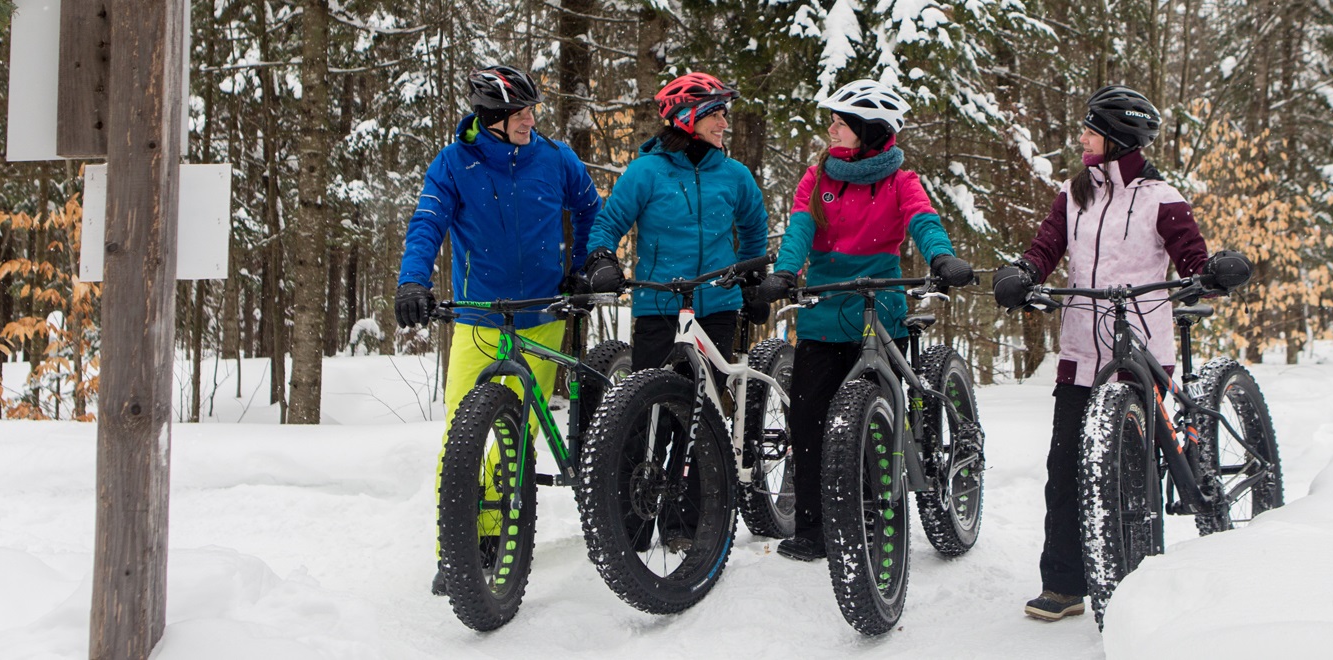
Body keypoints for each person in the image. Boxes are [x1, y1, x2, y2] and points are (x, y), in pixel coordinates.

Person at [988, 85, 1252, 620]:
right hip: (1081, 348)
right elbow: (1046, 247)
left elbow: (1190, 256)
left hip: (1142, 345)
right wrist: (1024, 273)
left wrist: (1209, 273)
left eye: (1090, 130)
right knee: (1064, 468)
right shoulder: (1074, 193)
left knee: (1135, 473)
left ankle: (1138, 586)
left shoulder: (1161, 197)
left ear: (1115, 138)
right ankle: (1063, 585)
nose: (1081, 137)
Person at [395, 65, 604, 596]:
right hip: (479, 317)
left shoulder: (555, 158)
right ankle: (457, 550)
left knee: (515, 436)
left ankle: (491, 539)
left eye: (533, 111)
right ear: (492, 119)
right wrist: (413, 282)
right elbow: (427, 225)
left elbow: (590, 210)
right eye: (522, 113)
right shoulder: (453, 164)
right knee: (461, 436)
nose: (532, 120)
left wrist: (582, 266)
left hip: (543, 314)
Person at [754, 79, 976, 562]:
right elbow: (799, 228)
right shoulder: (817, 179)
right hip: (823, 313)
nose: (831, 128)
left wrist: (942, 258)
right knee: (809, 424)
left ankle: (877, 518)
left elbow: (923, 220)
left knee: (883, 427)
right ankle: (812, 528)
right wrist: (785, 272)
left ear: (869, 130)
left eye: (841, 122)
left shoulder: (901, 181)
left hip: (881, 312)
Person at [582, 71, 769, 552]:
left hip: (717, 308)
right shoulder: (646, 172)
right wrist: (603, 260)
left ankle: (688, 521)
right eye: (716, 113)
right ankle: (634, 519)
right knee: (651, 415)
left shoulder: (735, 175)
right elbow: (608, 224)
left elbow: (754, 231)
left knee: (701, 416)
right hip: (660, 307)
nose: (725, 122)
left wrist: (751, 281)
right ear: (688, 118)